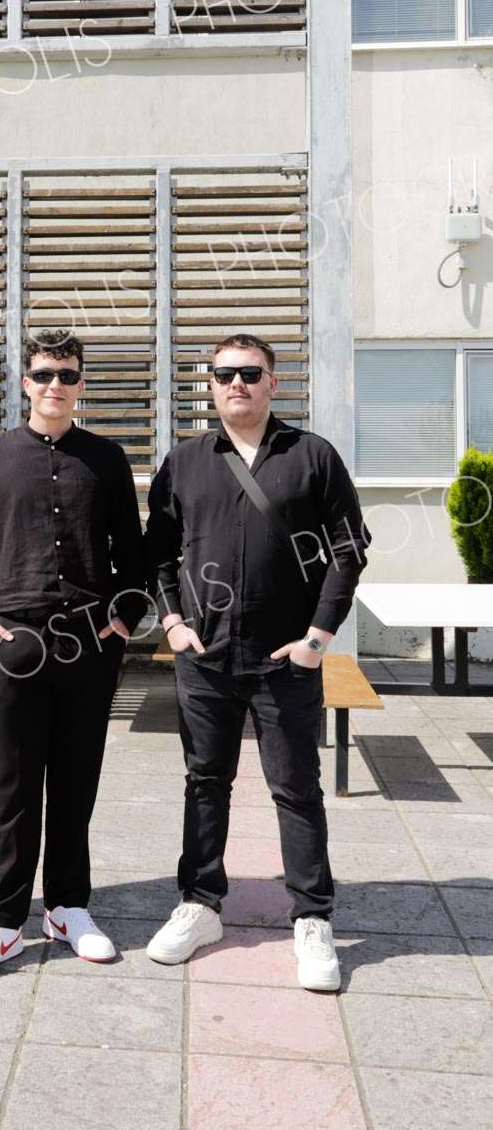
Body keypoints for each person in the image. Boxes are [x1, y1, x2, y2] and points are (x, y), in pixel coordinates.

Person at [145, 334, 369, 992]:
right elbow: (156, 552)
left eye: (250, 372)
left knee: (296, 787)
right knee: (204, 781)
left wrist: (317, 637)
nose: (236, 383)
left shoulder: (312, 456)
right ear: (210, 385)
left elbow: (349, 549)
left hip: (285, 660)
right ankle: (200, 904)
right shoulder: (185, 461)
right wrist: (173, 622)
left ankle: (313, 916)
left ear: (273, 382)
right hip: (206, 658)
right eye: (224, 374)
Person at [0, 330, 145, 985]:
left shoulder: (107, 459)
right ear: (25, 383)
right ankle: (2, 920)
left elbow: (132, 551)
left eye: (67, 374)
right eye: (43, 374)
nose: (54, 385)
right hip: (13, 645)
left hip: (89, 645)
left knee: (74, 783)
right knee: (10, 788)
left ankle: (67, 908)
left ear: (81, 383)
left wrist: (124, 619)